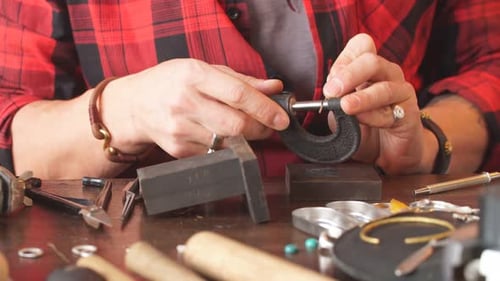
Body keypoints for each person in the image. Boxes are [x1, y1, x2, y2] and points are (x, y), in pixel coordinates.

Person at [0, 0, 498, 179]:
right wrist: (123, 113)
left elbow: (491, 66)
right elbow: (11, 129)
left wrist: (424, 143)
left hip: (376, 231)